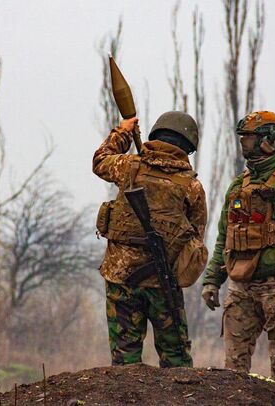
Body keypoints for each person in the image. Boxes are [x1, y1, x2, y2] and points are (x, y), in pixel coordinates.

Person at [201, 111, 275, 377]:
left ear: (269, 140)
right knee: (234, 369)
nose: (243, 142)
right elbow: (225, 237)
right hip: (240, 286)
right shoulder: (238, 185)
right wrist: (212, 280)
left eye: (249, 137)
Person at [92, 111, 207, 368]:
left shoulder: (128, 166)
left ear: (155, 136)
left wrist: (122, 132)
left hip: (121, 278)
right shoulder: (192, 187)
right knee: (176, 360)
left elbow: (100, 160)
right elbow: (195, 240)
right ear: (188, 147)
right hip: (163, 282)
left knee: (125, 359)